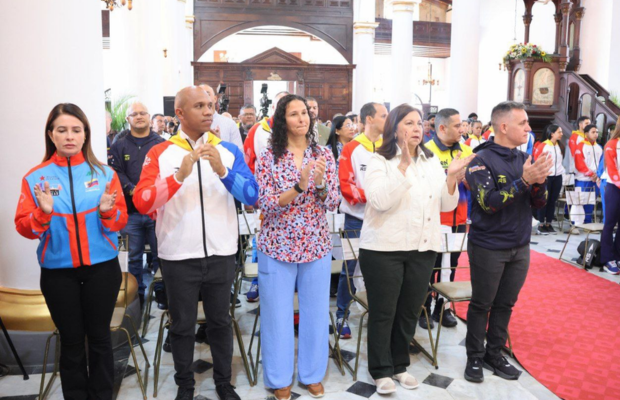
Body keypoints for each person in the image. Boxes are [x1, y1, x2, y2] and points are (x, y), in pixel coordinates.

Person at [133, 86, 258, 400]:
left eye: (210, 105)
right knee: (182, 326)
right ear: (179, 113)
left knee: (220, 321)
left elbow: (252, 195)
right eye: (199, 106)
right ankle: (185, 386)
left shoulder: (228, 150)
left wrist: (223, 171)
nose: (208, 111)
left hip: (221, 252)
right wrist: (178, 176)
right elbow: (143, 202)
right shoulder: (160, 153)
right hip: (178, 255)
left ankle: (223, 383)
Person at [15, 103, 127, 400]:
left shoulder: (104, 174)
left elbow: (121, 221)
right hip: (58, 273)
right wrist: (42, 214)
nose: (69, 136)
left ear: (85, 134)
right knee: (72, 341)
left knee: (100, 338)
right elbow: (24, 228)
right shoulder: (35, 178)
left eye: (76, 130)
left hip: (102, 270)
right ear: (51, 135)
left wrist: (107, 212)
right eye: (62, 130)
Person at [359, 104, 471, 394]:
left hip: (423, 248)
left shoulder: (430, 161)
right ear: (394, 128)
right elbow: (379, 201)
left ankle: (399, 365)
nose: (417, 128)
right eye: (408, 123)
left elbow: (446, 205)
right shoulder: (378, 160)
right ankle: (380, 370)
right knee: (384, 312)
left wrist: (451, 178)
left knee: (409, 311)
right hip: (384, 249)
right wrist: (402, 168)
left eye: (420, 123)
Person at [255, 94, 339, 400]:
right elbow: (264, 202)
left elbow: (334, 201)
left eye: (305, 112)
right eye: (294, 114)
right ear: (282, 120)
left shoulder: (324, 154)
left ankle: (312, 374)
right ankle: (279, 378)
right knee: (277, 315)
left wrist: (320, 184)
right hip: (277, 245)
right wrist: (299, 186)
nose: (302, 118)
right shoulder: (269, 156)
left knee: (315, 312)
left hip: (315, 244)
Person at [464, 101, 551, 384]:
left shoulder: (523, 158)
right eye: (522, 123)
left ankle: (494, 353)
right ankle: (474, 356)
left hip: (520, 245)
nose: (529, 128)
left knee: (505, 304)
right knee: (482, 303)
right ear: (503, 126)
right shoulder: (480, 160)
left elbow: (538, 204)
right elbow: (488, 204)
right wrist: (525, 180)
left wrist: (539, 183)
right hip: (489, 245)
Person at [336, 102, 387, 339]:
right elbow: (347, 188)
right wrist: (378, 196)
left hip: (384, 219)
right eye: (383, 115)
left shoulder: (390, 148)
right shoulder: (351, 148)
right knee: (349, 269)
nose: (388, 119)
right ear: (369, 119)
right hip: (356, 219)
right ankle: (342, 314)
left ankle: (378, 314)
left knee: (381, 270)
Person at [421, 108, 473, 330]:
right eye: (457, 125)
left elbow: (474, 184)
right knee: (429, 267)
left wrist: (468, 179)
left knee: (451, 265)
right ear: (442, 128)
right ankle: (423, 308)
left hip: (459, 217)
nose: (462, 129)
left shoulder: (467, 150)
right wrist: (450, 178)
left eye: (462, 125)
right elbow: (423, 186)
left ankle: (444, 308)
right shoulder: (426, 151)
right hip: (434, 218)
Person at [109, 102, 164, 307]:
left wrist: (149, 194)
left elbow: (165, 173)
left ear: (149, 117)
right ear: (128, 119)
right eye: (134, 114)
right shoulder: (119, 145)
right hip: (130, 212)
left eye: (143, 113)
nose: (139, 116)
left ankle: (162, 293)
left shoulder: (161, 144)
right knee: (133, 258)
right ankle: (136, 295)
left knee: (161, 255)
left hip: (156, 212)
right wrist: (134, 190)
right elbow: (116, 172)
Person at [536, 124, 565, 235]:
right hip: (546, 176)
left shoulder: (559, 146)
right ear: (552, 134)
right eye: (559, 132)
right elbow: (537, 160)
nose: (561, 134)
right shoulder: (543, 145)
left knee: (553, 200)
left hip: (558, 176)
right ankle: (541, 224)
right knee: (544, 200)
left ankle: (549, 223)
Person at [572, 124, 603, 225]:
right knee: (579, 202)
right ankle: (576, 224)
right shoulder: (580, 146)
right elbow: (579, 163)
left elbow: (602, 163)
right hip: (582, 179)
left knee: (590, 202)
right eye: (593, 132)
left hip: (595, 180)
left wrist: (597, 175)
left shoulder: (599, 147)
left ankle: (587, 223)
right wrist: (591, 174)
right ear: (586, 134)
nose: (596, 134)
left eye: (597, 132)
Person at [600, 120, 620, 274]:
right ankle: (607, 258)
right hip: (614, 187)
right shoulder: (612, 144)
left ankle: (618, 255)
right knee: (610, 223)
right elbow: (612, 170)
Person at [200, 85, 244, 151]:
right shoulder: (190, 124)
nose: (203, 98)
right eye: (199, 95)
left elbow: (238, 152)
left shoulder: (229, 124)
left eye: (207, 94)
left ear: (215, 99)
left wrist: (219, 143)